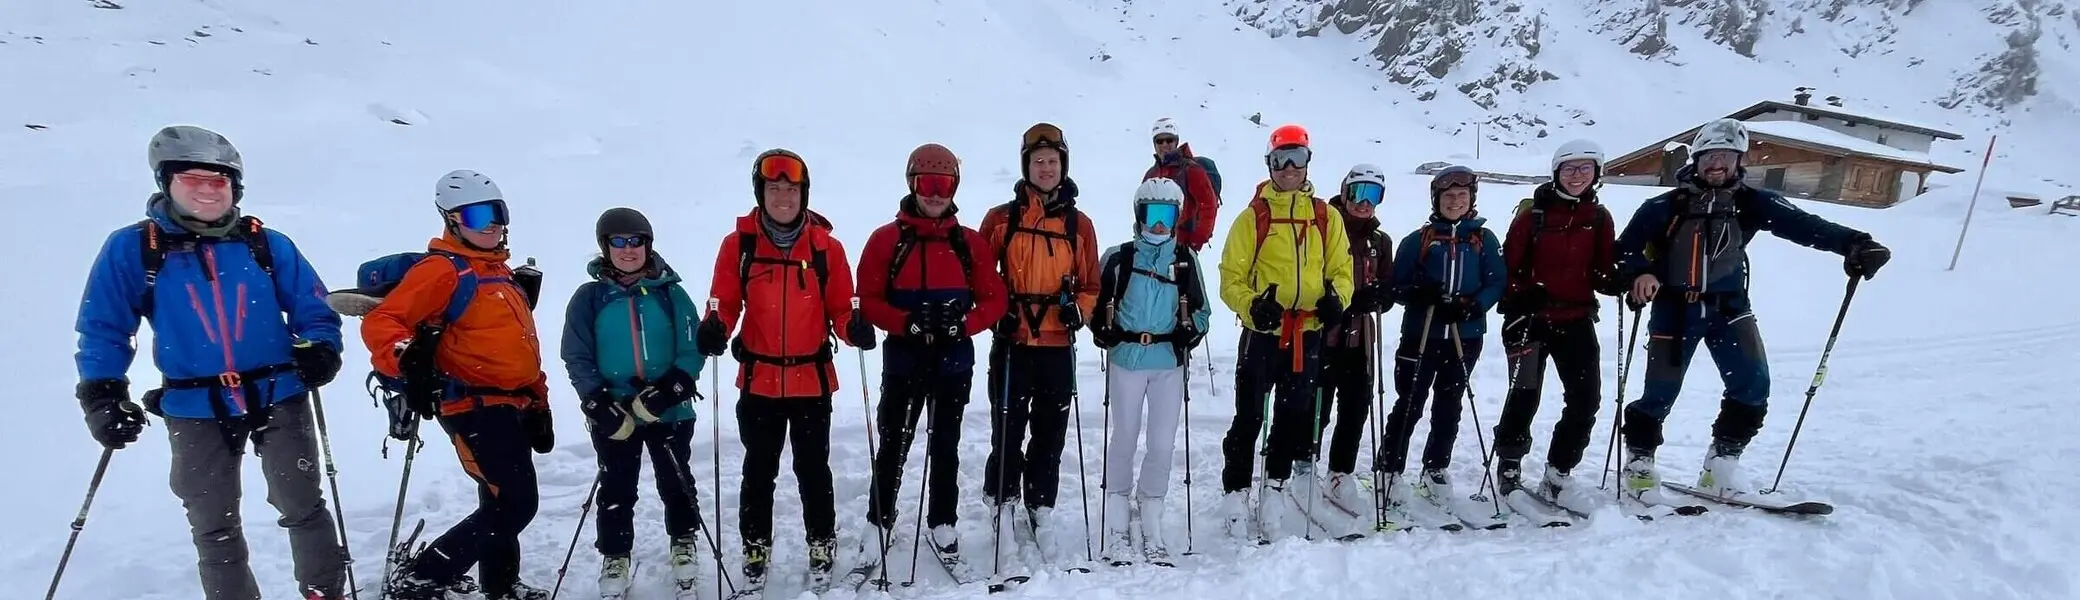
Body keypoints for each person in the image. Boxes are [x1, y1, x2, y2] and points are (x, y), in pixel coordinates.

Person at [74, 125, 348, 600]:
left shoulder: (266, 244)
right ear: (166, 183)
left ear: (234, 188)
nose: (205, 189)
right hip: (193, 405)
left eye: (217, 181)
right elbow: (105, 327)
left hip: (278, 393)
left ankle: (324, 591)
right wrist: (102, 393)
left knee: (303, 504)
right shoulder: (136, 248)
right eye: (191, 179)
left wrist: (321, 346)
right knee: (213, 523)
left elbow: (313, 306)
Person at [1614, 118, 1890, 501]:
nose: (1717, 164)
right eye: (1710, 156)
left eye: (1726, 156)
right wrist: (1640, 273)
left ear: (1739, 160)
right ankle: (1640, 462)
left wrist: (1856, 244)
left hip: (1730, 309)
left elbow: (1805, 225)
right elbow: (1624, 250)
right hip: (1675, 309)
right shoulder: (1663, 206)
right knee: (1660, 391)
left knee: (1753, 386)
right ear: (1696, 159)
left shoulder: (1752, 202)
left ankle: (1722, 463)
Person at [367, 169, 556, 600]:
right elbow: (384, 321)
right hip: (473, 406)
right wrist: (405, 358)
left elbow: (519, 350)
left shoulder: (500, 274)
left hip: (512, 406)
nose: (489, 224)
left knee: (498, 500)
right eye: (474, 215)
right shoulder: (443, 271)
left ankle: (501, 586)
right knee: (515, 503)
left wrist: (539, 401)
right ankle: (426, 576)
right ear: (451, 220)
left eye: (495, 212)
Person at [695, 149, 873, 592]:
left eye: (790, 189)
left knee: (814, 468)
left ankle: (821, 540)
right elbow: (725, 300)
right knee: (759, 469)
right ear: (761, 193)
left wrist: (854, 329)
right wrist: (714, 327)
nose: (782, 197)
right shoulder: (739, 245)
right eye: (773, 189)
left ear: (803, 194)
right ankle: (755, 545)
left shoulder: (826, 248)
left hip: (811, 379)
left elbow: (839, 308)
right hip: (758, 380)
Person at [852, 143, 1008, 571]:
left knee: (946, 444)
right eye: (927, 184)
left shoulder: (968, 242)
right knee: (893, 442)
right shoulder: (888, 240)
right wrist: (906, 322)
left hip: (953, 362)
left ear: (954, 187)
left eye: (944, 185)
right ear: (912, 184)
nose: (936, 194)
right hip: (904, 360)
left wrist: (965, 324)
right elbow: (865, 298)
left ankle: (943, 521)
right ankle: (879, 520)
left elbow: (995, 298)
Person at [1213, 124, 1354, 541]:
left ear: (1308, 161)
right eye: (1280, 160)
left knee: (1293, 416)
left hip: (1307, 333)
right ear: (1269, 164)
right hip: (1263, 334)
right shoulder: (1252, 217)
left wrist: (1337, 300)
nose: (1289, 168)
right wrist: (1253, 306)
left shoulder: (1325, 217)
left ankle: (1274, 486)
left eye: (1297, 159)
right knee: (1250, 414)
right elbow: (1230, 277)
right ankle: (1237, 490)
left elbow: (1342, 270)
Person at [560, 207, 709, 598]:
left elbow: (692, 348)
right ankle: (615, 553)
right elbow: (576, 355)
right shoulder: (589, 298)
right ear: (605, 247)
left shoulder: (671, 293)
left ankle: (683, 539)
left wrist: (671, 388)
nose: (628, 250)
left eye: (636, 241)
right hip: (616, 411)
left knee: (676, 479)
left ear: (649, 245)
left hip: (669, 409)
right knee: (616, 484)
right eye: (618, 242)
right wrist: (595, 402)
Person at [977, 123, 1101, 553]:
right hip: (1013, 341)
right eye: (1038, 161)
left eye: (1052, 161)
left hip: (1057, 344)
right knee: (1007, 426)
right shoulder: (1000, 219)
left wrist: (1078, 311)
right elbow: (981, 279)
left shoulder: (1079, 224)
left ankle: (1041, 503)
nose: (1046, 168)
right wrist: (998, 313)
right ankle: (1002, 499)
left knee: (1051, 430)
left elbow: (1092, 285)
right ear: (1026, 166)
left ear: (1063, 165)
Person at [1487, 140, 1622, 509]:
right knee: (1524, 394)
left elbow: (1602, 270)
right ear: (1556, 173)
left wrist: (1622, 281)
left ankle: (1559, 471)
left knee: (1585, 399)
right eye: (1569, 168)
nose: (1577, 175)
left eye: (1585, 168)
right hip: (1529, 319)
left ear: (1596, 173)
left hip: (1576, 318)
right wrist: (1521, 293)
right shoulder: (1533, 218)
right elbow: (1507, 269)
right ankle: (1510, 464)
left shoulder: (1598, 218)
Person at [1090, 177, 1212, 563]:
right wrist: (1100, 327)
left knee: (1162, 441)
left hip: (1168, 362)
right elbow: (1094, 303)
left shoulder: (1185, 259)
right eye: (1151, 215)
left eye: (1167, 216)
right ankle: (1117, 506)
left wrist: (1192, 330)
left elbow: (1203, 310)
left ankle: (1152, 506)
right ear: (1139, 215)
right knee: (1124, 435)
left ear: (1177, 217)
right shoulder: (1119, 256)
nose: (1158, 225)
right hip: (1127, 358)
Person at [1377, 165, 1505, 516]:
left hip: (1464, 336)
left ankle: (1435, 468)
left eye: (1462, 196)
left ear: (1471, 200)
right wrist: (1419, 294)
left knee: (1449, 404)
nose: (1455, 201)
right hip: (1422, 333)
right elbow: (1397, 286)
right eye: (1448, 196)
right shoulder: (1418, 240)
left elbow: (1497, 282)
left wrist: (1472, 307)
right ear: (1437, 199)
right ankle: (1389, 468)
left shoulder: (1484, 239)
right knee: (1410, 401)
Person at [1314, 164, 1397, 513]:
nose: (1365, 203)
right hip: (1323, 336)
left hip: (1360, 339)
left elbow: (1389, 286)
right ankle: (1300, 467)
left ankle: (1340, 472)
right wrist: (1343, 304)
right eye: (1359, 193)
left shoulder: (1380, 241)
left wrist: (1381, 297)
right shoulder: (1324, 228)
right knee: (1314, 407)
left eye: (1373, 195)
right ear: (1345, 192)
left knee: (1355, 407)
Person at [1143, 117, 1222, 252]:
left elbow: (1208, 205)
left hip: (1182, 245)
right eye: (1159, 141)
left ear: (1176, 141)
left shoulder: (1191, 170)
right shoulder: (1151, 174)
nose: (1164, 145)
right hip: (1153, 243)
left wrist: (1196, 240)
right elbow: (1142, 208)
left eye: (1169, 140)